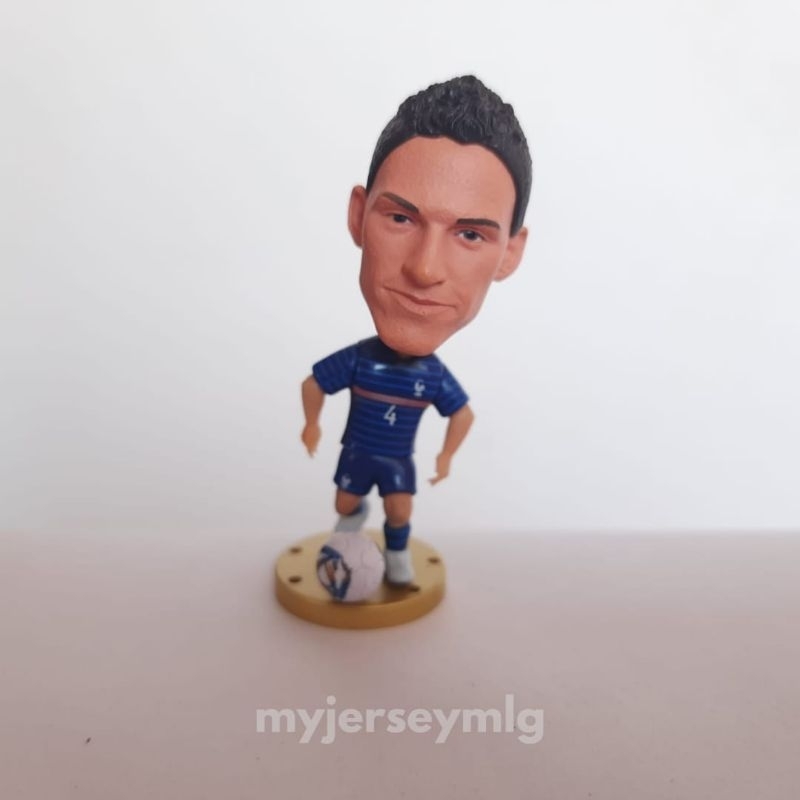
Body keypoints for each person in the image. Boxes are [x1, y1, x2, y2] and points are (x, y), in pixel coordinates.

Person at [300, 75, 532, 586]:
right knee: (345, 503)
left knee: (399, 509)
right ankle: (349, 538)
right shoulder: (359, 361)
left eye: (469, 234)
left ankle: (396, 554)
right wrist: (312, 424)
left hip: (397, 463)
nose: (424, 270)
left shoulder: (432, 379)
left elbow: (460, 413)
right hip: (357, 456)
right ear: (358, 216)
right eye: (401, 219)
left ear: (509, 253)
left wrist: (446, 454)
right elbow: (315, 383)